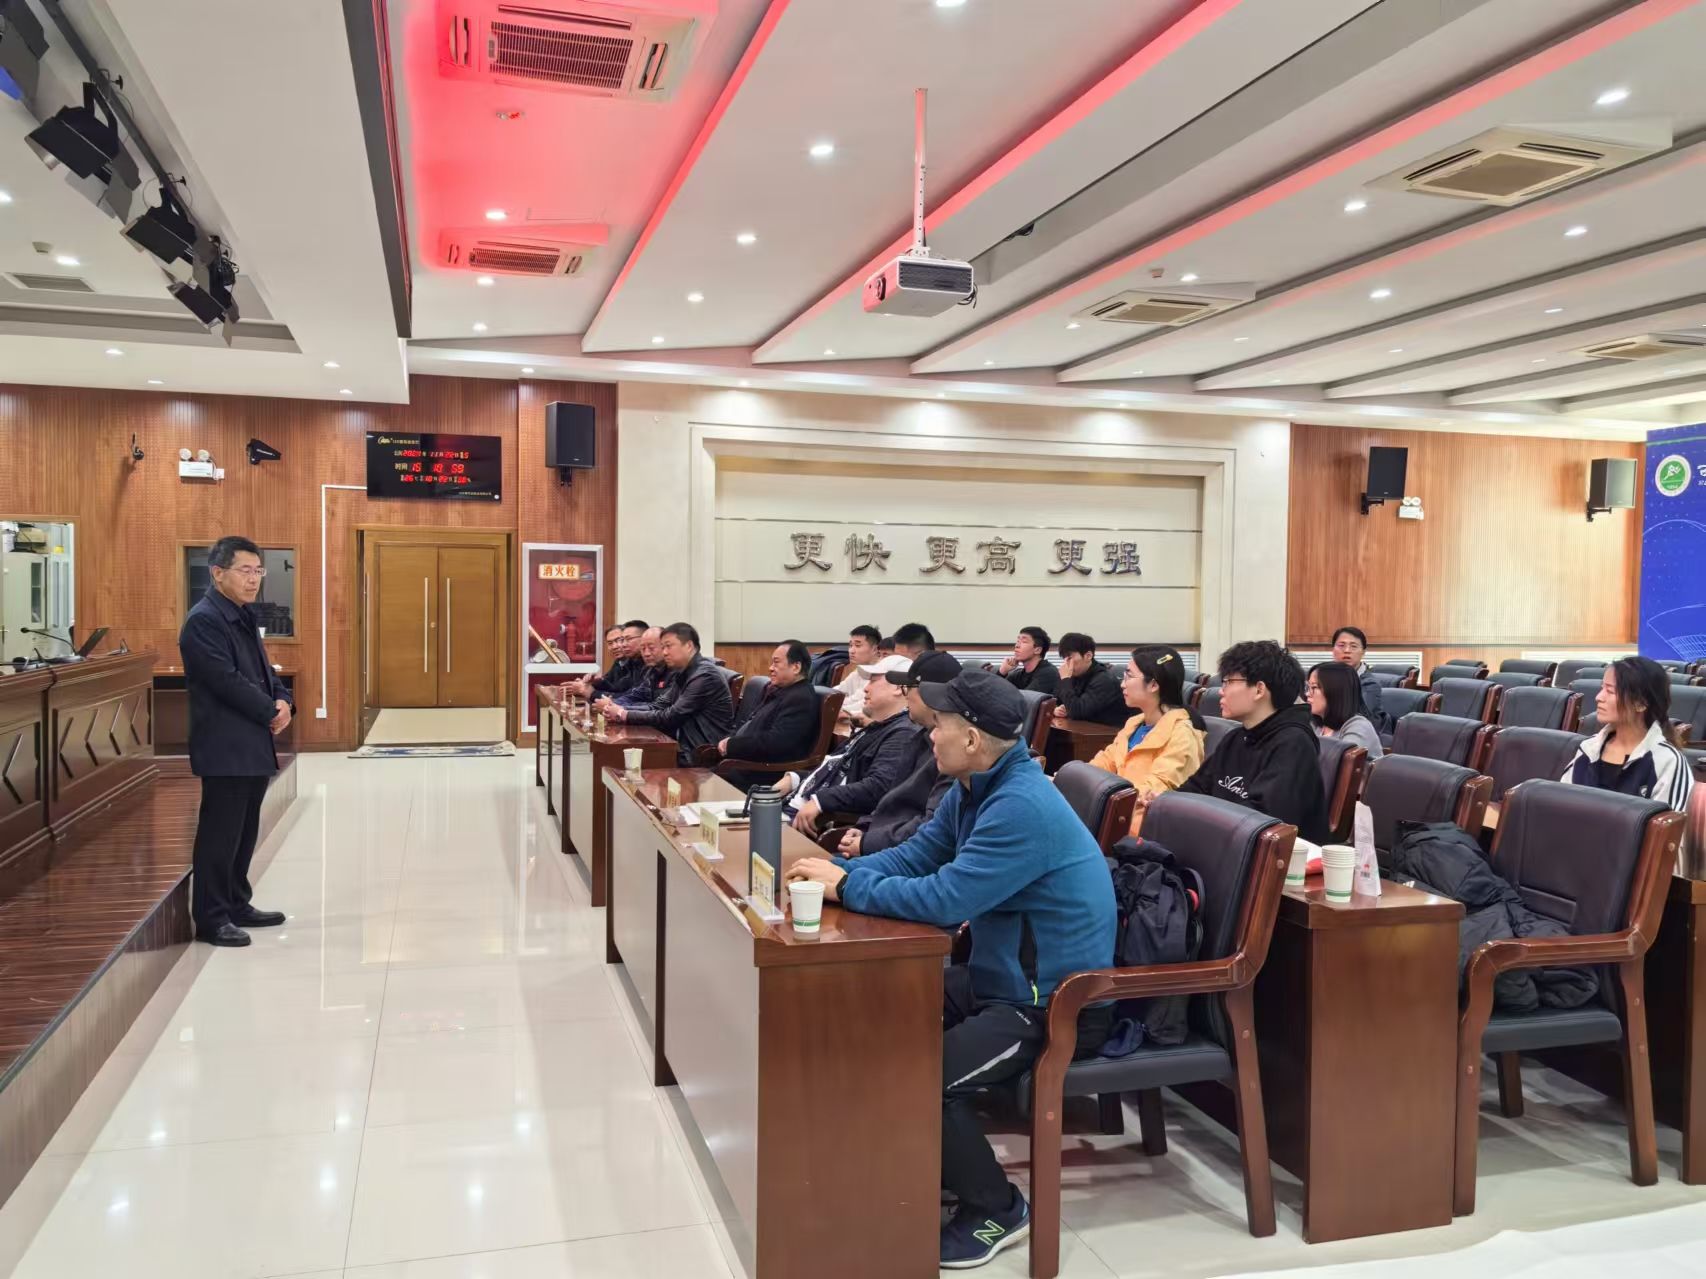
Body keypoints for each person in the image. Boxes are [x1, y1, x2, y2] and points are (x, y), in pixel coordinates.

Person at [786, 671, 1116, 1270]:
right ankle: (912, 1161)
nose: (929, 733)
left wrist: (848, 887)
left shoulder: (1020, 806)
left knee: (925, 1077)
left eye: (938, 724)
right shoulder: (975, 785)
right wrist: (837, 871)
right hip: (995, 978)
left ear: (971, 739)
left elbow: (946, 898)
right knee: (873, 1012)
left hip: (1050, 1004)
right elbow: (918, 856)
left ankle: (997, 1209)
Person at [178, 535, 294, 948]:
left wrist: (283, 699)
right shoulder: (204, 621)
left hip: (251, 742)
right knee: (220, 832)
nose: (254, 579)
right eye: (245, 570)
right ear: (217, 573)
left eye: (258, 571)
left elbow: (264, 671)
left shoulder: (241, 614)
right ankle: (211, 918)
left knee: (244, 831)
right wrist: (269, 710)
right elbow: (224, 681)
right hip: (225, 744)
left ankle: (236, 903)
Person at [1161, 640, 1330, 844]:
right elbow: (1196, 788)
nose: (1221, 690)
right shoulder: (1236, 737)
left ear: (1259, 690)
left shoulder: (1294, 744)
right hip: (1222, 843)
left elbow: (1261, 823)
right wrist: (1164, 802)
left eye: (1228, 682)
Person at [778, 655, 925, 836]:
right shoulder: (879, 727)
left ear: (897, 688)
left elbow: (878, 787)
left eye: (873, 681)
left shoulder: (902, 733)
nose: (866, 688)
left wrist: (820, 801)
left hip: (804, 823)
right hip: (791, 808)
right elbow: (834, 768)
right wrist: (794, 779)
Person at [837, 650, 963, 856]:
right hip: (885, 844)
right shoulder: (920, 736)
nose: (906, 696)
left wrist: (868, 842)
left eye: (908, 688)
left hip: (903, 854)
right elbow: (892, 798)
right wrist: (865, 827)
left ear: (930, 694)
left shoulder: (953, 753)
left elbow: (931, 826)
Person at [1086, 646, 1206, 836]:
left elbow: (1154, 792)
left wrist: (1102, 799)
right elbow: (1104, 762)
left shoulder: (1182, 734)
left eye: (1129, 676)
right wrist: (1080, 780)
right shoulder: (1134, 723)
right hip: (1115, 812)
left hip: (1140, 828)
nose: (1122, 684)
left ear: (1153, 685)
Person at [1562, 657, 1693, 811]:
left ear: (1640, 703)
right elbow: (1561, 806)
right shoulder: (1588, 749)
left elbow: (1671, 823)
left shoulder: (1667, 761)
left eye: (1610, 691)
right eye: (1602, 688)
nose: (1598, 697)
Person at [599, 622, 733, 764]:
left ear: (688, 646)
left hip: (699, 755)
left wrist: (623, 714)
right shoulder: (684, 672)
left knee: (625, 759)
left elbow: (671, 716)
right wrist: (618, 709)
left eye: (668, 646)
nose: (664, 653)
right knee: (617, 755)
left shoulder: (704, 675)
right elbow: (658, 706)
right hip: (681, 746)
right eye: (663, 647)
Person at [712, 640, 820, 790]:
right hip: (744, 764)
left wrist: (733, 745)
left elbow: (777, 742)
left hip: (761, 774)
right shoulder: (781, 691)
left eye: (776, 663)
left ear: (796, 667)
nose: (770, 668)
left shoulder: (800, 698)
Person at [1306, 661, 1384, 760]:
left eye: (1314, 687)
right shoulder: (1315, 724)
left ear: (1335, 691)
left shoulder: (1358, 726)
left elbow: (1337, 764)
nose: (1307, 694)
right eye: (1308, 687)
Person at [1049, 633, 1126, 726]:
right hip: (1082, 728)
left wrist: (1065, 680)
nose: (1066, 663)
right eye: (1064, 658)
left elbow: (1077, 712)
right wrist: (1056, 709)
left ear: (1088, 656)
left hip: (1108, 731)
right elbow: (1054, 700)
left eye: (1069, 658)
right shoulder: (1073, 675)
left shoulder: (1104, 679)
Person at [1331, 625, 1391, 734]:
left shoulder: (1370, 684)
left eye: (1353, 646)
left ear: (1363, 652)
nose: (1347, 650)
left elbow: (1361, 720)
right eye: (1341, 645)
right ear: (1333, 649)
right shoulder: (1324, 677)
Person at [834, 624, 884, 720]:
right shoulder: (859, 671)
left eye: (857, 645)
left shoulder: (881, 672)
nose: (851, 651)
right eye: (850, 645)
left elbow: (862, 704)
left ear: (875, 649)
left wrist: (837, 708)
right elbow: (839, 690)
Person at [611, 626, 667, 708]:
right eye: (643, 649)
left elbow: (659, 707)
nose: (646, 654)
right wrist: (611, 704)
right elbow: (636, 695)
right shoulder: (651, 671)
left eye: (651, 648)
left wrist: (620, 708)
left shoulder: (675, 672)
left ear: (664, 647)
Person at [999, 627, 1060, 695]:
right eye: (1018, 641)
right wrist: (1002, 672)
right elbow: (994, 693)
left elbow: (1025, 699)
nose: (1017, 646)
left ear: (1037, 650)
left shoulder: (1048, 673)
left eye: (1024, 642)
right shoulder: (1018, 675)